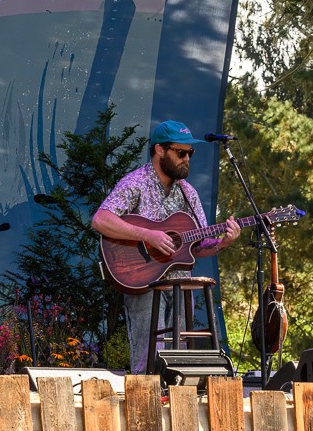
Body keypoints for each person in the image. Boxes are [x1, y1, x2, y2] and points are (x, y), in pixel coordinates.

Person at [92, 121, 240, 374]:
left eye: (190, 153)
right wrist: (148, 235)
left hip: (181, 283)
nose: (186, 159)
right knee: (149, 356)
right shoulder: (135, 182)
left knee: (180, 358)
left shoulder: (188, 193)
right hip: (144, 279)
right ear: (160, 150)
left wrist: (223, 243)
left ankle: (176, 400)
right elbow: (101, 219)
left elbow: (199, 245)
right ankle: (146, 402)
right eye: (180, 153)